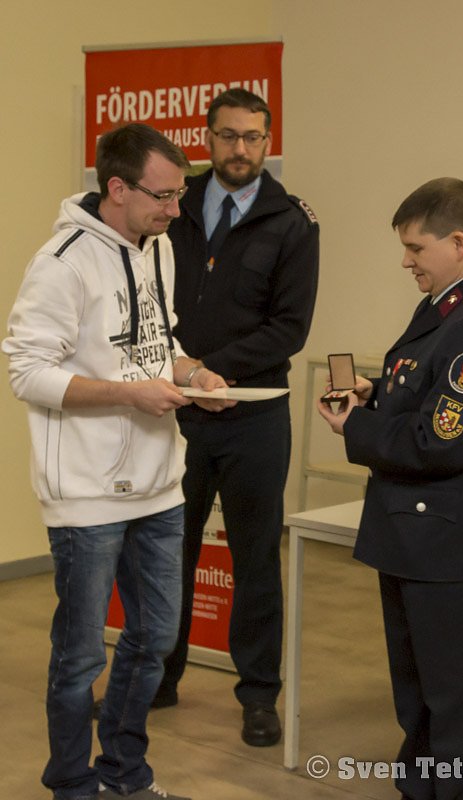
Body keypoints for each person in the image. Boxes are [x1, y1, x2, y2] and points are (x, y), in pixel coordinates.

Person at [2, 123, 233, 800]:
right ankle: (72, 784)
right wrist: (128, 394)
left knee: (156, 637)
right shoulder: (62, 261)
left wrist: (193, 374)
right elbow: (27, 372)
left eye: (180, 195)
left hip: (160, 486)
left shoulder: (156, 248)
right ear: (116, 188)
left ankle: (124, 774)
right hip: (85, 493)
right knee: (78, 658)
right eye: (161, 196)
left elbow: (154, 344)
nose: (174, 209)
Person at [318, 178, 463, 800]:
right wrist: (374, 394)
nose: (406, 260)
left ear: (458, 243)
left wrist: (358, 425)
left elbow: (441, 441)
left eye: (416, 247)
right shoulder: (447, 306)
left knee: (455, 705)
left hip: (449, 545)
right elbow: (422, 393)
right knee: (419, 697)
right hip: (415, 536)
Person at [152, 88, 319, 747]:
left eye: (252, 137)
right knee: (167, 552)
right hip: (175, 410)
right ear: (207, 137)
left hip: (254, 416)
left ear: (267, 139)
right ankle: (158, 680)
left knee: (253, 561)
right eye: (227, 136)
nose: (240, 148)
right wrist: (185, 373)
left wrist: (207, 366)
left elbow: (289, 328)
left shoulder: (293, 221)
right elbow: (149, 299)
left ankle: (257, 697)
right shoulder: (175, 206)